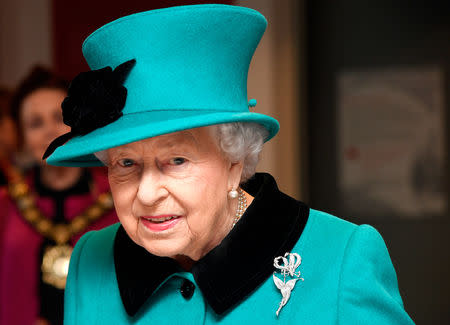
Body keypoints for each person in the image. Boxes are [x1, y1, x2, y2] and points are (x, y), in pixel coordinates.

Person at [44, 4, 414, 324]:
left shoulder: (342, 259)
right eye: (126, 162)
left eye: (176, 160)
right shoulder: (88, 260)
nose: (146, 192)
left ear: (235, 162)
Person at [0, 66, 118, 325]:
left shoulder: (118, 197)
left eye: (59, 117)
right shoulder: (6, 204)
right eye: (35, 123)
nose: (48, 131)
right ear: (21, 137)